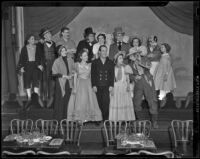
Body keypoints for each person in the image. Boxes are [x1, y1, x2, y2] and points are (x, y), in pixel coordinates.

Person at [67, 48, 102, 122]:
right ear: (81, 57)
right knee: (80, 101)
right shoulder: (76, 65)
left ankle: (88, 118)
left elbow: (92, 76)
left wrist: (93, 85)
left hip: (88, 84)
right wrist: (75, 88)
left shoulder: (90, 65)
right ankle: (80, 118)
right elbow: (75, 76)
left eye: (87, 56)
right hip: (79, 84)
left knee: (89, 100)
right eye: (85, 56)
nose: (86, 57)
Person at [127, 49, 159, 129]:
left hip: (147, 81)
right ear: (130, 57)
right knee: (136, 102)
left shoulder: (144, 59)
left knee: (152, 101)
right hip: (138, 83)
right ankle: (140, 121)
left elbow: (149, 66)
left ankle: (154, 122)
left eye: (136, 54)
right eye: (133, 55)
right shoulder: (130, 65)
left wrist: (139, 62)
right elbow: (129, 76)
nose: (135, 56)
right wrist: (134, 77)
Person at [17, 34, 44, 107]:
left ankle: (36, 97)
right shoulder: (24, 48)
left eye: (34, 39)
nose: (33, 40)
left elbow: (40, 57)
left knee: (36, 81)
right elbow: (21, 59)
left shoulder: (37, 47)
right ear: (28, 40)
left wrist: (39, 65)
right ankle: (29, 97)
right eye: (32, 39)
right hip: (27, 66)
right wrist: (21, 67)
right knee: (27, 81)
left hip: (35, 66)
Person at [109, 52, 136, 121]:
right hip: (116, 86)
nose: (121, 60)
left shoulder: (125, 67)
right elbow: (111, 79)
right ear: (116, 60)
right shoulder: (113, 68)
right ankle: (116, 118)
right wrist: (111, 89)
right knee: (117, 102)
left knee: (124, 102)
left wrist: (128, 86)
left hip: (123, 86)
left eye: (122, 58)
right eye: (120, 58)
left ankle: (125, 118)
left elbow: (127, 78)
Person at [91, 45, 115, 121]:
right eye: (103, 50)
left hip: (106, 86)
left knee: (106, 103)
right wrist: (94, 85)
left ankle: (105, 119)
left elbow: (112, 75)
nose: (104, 52)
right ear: (99, 52)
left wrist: (111, 85)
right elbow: (93, 74)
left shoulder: (110, 62)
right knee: (98, 103)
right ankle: (98, 119)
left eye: (106, 50)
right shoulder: (95, 62)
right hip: (98, 85)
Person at [52, 45, 75, 120]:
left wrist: (72, 74)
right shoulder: (57, 61)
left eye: (65, 50)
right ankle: (60, 119)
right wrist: (64, 76)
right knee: (61, 101)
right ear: (59, 52)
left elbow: (74, 70)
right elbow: (54, 73)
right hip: (61, 83)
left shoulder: (70, 59)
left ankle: (67, 118)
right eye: (62, 50)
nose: (64, 52)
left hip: (69, 82)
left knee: (68, 100)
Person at [38, 28, 58, 108]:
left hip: (53, 64)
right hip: (45, 64)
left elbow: (56, 54)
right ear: (44, 36)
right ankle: (44, 99)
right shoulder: (40, 44)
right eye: (47, 34)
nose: (49, 35)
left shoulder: (54, 43)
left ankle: (51, 98)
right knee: (44, 82)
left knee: (52, 81)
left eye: (49, 33)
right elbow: (38, 55)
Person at [154, 43, 176, 107]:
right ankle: (161, 101)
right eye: (161, 47)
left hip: (164, 74)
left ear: (166, 48)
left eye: (163, 47)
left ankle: (164, 101)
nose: (161, 48)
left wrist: (166, 75)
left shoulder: (167, 56)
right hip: (161, 73)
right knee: (161, 87)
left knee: (164, 87)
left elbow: (168, 66)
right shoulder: (163, 56)